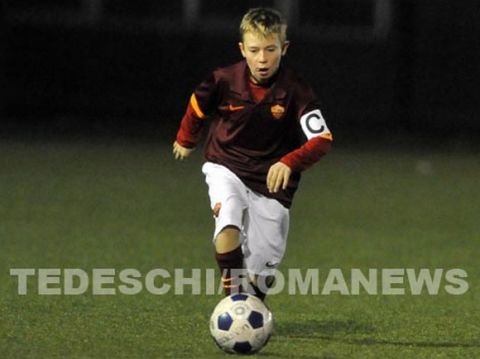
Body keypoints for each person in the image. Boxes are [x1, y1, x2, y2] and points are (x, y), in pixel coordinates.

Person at [173, 7, 332, 301]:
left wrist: (289, 161)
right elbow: (197, 105)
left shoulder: (296, 90)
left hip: (271, 182)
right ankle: (234, 299)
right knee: (228, 219)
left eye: (270, 49)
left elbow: (322, 139)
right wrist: (186, 138)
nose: (262, 58)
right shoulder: (223, 80)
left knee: (264, 264)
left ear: (284, 49)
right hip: (226, 165)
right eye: (255, 49)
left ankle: (252, 305)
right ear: (242, 49)